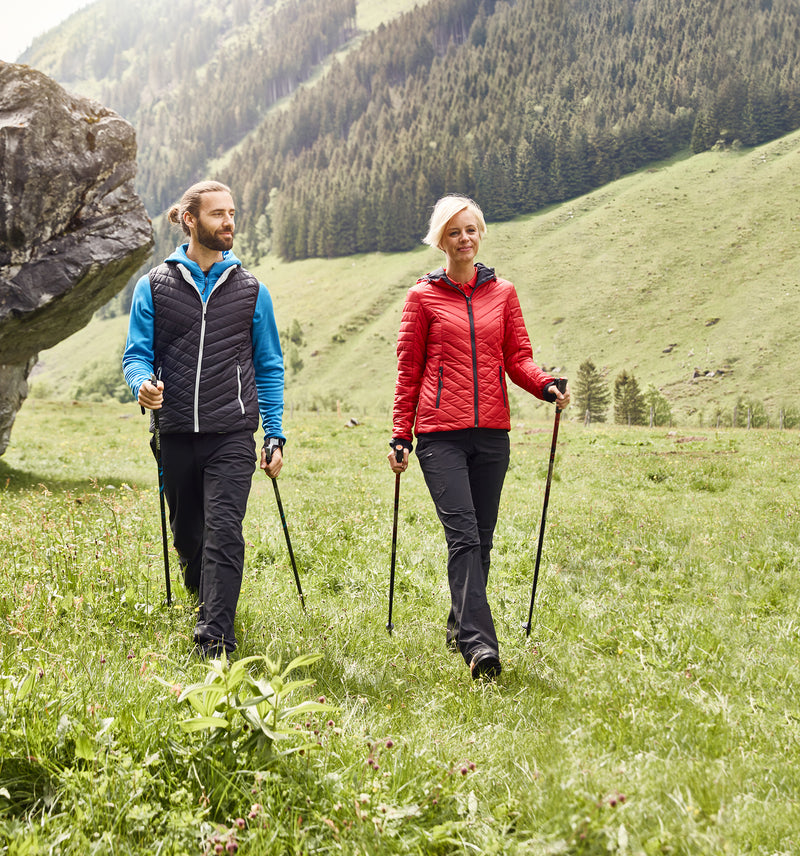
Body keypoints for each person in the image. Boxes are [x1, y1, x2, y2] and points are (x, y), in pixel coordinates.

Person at [388, 194, 570, 680]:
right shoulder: (421, 298)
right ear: (440, 240)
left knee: (482, 538)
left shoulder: (503, 293)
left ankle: (458, 625)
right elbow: (409, 372)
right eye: (454, 232)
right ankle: (480, 646)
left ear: (480, 233)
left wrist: (544, 384)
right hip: (438, 435)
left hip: (492, 434)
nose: (464, 239)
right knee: (464, 534)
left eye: (471, 229)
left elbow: (517, 357)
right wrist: (400, 435)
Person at [123, 180, 285, 658]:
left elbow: (269, 366)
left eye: (232, 213)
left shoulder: (253, 290)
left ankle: (215, 635)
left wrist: (274, 434)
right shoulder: (154, 286)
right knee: (189, 534)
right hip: (174, 432)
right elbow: (136, 355)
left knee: (223, 530)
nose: (229, 222)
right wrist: (142, 385)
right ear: (189, 219)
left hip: (232, 434)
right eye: (217, 214)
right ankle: (202, 591)